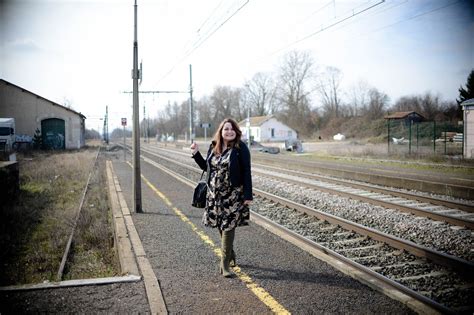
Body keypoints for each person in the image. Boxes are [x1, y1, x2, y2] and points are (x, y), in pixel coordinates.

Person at [190, 118, 253, 278]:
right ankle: (230, 253)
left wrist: (247, 195)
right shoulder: (214, 147)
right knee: (219, 224)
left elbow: (246, 171)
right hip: (214, 195)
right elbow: (206, 167)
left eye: (232, 129)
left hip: (232, 195)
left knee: (228, 226)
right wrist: (196, 154)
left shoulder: (240, 148)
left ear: (236, 132)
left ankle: (224, 263)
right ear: (221, 131)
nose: (229, 131)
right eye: (226, 129)